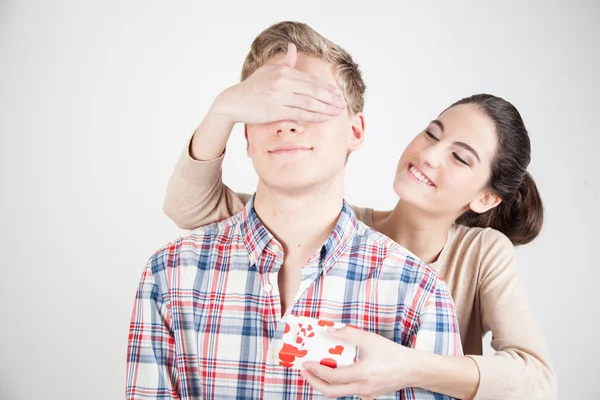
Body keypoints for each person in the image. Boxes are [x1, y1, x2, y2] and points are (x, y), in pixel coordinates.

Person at [162, 28, 557, 400]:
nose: (430, 155)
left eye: (459, 157)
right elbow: (189, 205)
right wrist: (224, 111)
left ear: (486, 198)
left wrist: (411, 367)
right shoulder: (331, 228)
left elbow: (536, 381)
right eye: (432, 134)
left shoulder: (480, 253)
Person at [126, 21, 462, 400]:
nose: (286, 123)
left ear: (355, 131)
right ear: (246, 136)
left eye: (311, 102)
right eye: (267, 106)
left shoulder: (416, 292)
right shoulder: (169, 276)